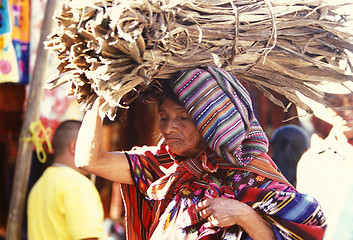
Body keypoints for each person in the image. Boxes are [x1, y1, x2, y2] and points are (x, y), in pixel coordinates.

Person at [76, 66, 326, 240]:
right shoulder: (163, 166)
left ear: (211, 121)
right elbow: (90, 160)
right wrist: (99, 96)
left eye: (183, 117)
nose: (168, 127)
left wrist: (243, 214)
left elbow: (300, 234)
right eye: (163, 117)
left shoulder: (250, 170)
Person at [27, 120, 105, 240]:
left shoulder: (39, 185)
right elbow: (88, 237)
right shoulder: (77, 184)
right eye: (94, 147)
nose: (98, 154)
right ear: (74, 147)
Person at [296, 86, 353, 239]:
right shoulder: (313, 161)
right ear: (325, 105)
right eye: (335, 103)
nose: (345, 110)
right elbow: (309, 220)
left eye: (351, 100)